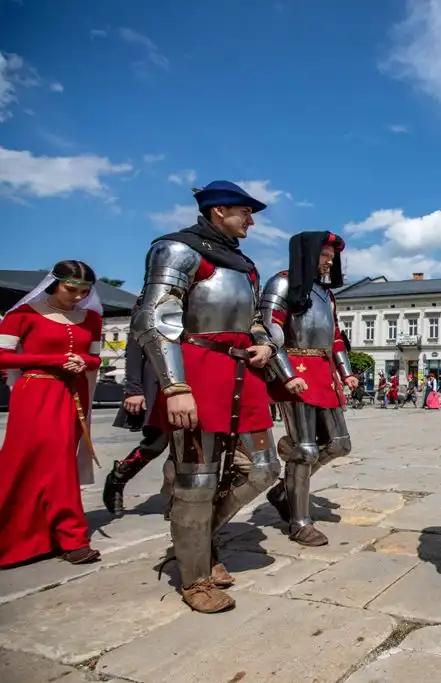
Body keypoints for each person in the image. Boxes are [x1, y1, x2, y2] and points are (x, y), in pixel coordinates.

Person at [132, 180, 287, 613]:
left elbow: (254, 320)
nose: (251, 220)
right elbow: (155, 320)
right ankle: (195, 577)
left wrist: (264, 344)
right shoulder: (177, 250)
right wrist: (175, 387)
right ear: (219, 210)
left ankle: (197, 540)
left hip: (243, 374)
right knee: (197, 481)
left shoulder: (244, 264)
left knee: (264, 469)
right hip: (196, 372)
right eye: (245, 212)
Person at [0, 261, 103, 567]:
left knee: (61, 464)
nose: (78, 297)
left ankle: (67, 537)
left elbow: (95, 358)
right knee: (24, 462)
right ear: (54, 283)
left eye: (85, 292)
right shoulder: (23, 314)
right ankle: (20, 536)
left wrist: (83, 362)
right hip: (35, 393)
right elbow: (2, 356)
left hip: (73, 396)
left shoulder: (92, 318)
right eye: (71, 290)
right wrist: (53, 360)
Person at [260, 231, 357, 547]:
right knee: (305, 450)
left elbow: (336, 337)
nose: (329, 261)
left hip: (324, 371)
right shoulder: (282, 283)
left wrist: (346, 372)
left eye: (332, 256)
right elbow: (271, 332)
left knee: (340, 444)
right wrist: (286, 374)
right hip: (296, 368)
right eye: (325, 254)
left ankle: (284, 490)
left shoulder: (326, 295)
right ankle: (299, 522)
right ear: (308, 253)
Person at [105, 322, 174, 519]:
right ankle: (119, 476)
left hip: (193, 373)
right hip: (158, 376)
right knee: (155, 443)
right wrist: (134, 389)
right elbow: (135, 347)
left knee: (188, 445)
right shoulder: (150, 303)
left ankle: (178, 500)